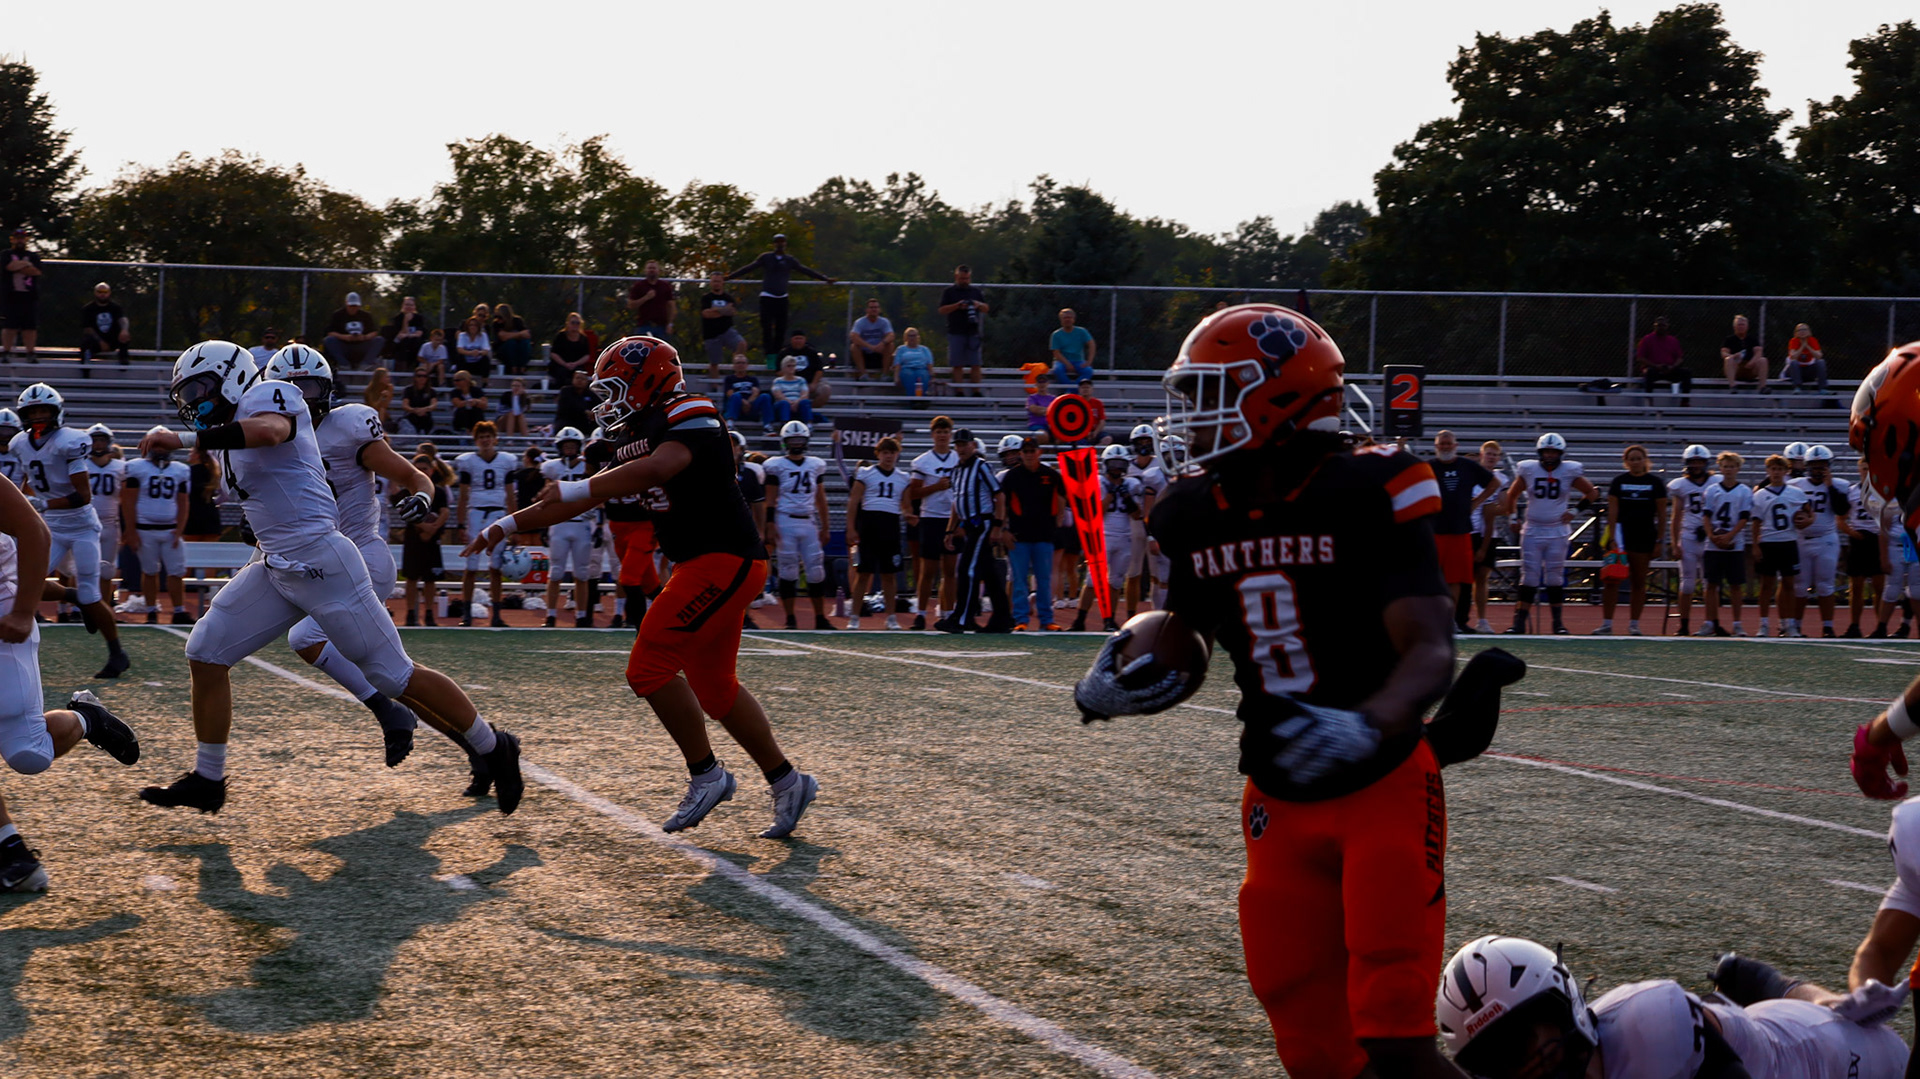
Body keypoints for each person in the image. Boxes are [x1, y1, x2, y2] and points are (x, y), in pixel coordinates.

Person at [1076, 303, 1484, 1079]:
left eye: (1209, 394)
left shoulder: (1368, 484)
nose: (1192, 417)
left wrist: (1370, 721)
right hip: (1275, 798)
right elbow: (1189, 632)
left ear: (1277, 394)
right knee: (1310, 1043)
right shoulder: (1195, 507)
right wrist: (1126, 671)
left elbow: (1431, 647)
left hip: (1381, 785)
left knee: (1394, 1038)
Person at [140, 341, 523, 815]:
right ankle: (208, 778)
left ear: (232, 378)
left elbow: (270, 431)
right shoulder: (228, 432)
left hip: (323, 562)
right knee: (205, 650)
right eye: (187, 394)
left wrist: (183, 440)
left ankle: (493, 746)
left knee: (394, 674)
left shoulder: (271, 396)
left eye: (199, 389)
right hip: (277, 564)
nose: (193, 402)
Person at [464, 335, 818, 837]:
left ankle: (707, 775)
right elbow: (582, 498)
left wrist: (578, 485)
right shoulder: (636, 431)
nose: (608, 401)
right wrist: (506, 524)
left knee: (648, 668)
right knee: (715, 688)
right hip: (702, 563)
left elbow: (661, 466)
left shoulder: (689, 410)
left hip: (723, 559)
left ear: (647, 380)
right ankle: (788, 781)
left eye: (615, 388)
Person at [257, 345, 461, 773]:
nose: (300, 397)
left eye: (308, 387)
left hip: (360, 557)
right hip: (317, 566)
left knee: (310, 640)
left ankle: (396, 715)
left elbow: (412, 475)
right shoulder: (271, 439)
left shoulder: (346, 428)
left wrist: (423, 496)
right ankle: (475, 744)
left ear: (327, 389)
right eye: (290, 388)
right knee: (397, 677)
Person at [1437, 935, 1906, 1079]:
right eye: (1497, 1057)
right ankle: (1749, 980)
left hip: (1843, 1060)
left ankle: (1764, 982)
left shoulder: (1652, 1029)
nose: (1521, 1065)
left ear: (1562, 1007)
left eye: (1521, 1038)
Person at [0, 471, 142, 891]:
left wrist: (23, 611)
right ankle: (12, 853)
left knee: (29, 754)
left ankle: (88, 719)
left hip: (4, 624)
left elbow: (35, 534)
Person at [9, 384, 130, 678]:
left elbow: (83, 496)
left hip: (81, 526)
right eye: (33, 412)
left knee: (91, 594)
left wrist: (42, 503)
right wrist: (25, 504)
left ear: (56, 412)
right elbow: (27, 479)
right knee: (21, 582)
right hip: (50, 525)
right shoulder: (19, 443)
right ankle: (70, 595)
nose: (38, 416)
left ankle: (117, 653)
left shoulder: (70, 441)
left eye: (43, 410)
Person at [1500, 432, 1598, 635]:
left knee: (1554, 577)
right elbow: (1512, 495)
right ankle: (1518, 623)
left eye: (1553, 452)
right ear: (1540, 452)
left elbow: (1592, 492)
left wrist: (1575, 511)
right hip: (1533, 529)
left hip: (1557, 530)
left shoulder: (1569, 471)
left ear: (1561, 453)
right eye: (1546, 452)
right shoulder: (1529, 469)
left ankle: (1558, 623)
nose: (1550, 455)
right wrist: (1512, 518)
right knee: (1529, 577)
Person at [940, 428, 1013, 634]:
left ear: (973, 445)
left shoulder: (981, 466)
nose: (961, 448)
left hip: (983, 524)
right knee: (989, 574)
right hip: (970, 526)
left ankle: (962, 618)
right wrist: (950, 530)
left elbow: (999, 495)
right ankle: (1002, 618)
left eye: (964, 444)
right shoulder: (956, 471)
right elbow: (957, 503)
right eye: (958, 445)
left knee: (967, 570)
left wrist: (997, 525)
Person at [761, 421, 831, 630]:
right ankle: (790, 618)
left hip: (808, 521)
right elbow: (770, 499)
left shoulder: (815, 465)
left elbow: (821, 498)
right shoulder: (776, 465)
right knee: (788, 570)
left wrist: (826, 526)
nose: (797, 444)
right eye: (793, 440)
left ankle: (820, 618)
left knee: (816, 570)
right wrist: (770, 524)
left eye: (800, 440)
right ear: (785, 442)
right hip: (785, 521)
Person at [1594, 444, 1669, 636]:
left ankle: (1634, 624)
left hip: (1644, 536)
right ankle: (1607, 624)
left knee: (1639, 580)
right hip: (1621, 536)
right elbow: (1613, 512)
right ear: (1626, 462)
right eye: (1631, 459)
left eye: (1638, 458)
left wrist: (1660, 540)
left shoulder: (1655, 483)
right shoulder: (1619, 482)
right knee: (1611, 580)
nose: (1635, 462)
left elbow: (1662, 515)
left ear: (1645, 460)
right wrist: (1612, 538)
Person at [1427, 430, 1495, 633]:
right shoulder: (1428, 467)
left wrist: (1477, 502)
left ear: (1455, 446)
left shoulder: (1467, 466)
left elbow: (1494, 483)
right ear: (1436, 446)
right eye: (1442, 443)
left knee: (1455, 579)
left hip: (1459, 530)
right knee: (1431, 579)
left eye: (1449, 443)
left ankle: (1450, 619)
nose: (1445, 447)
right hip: (1434, 530)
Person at [122, 431, 193, 625]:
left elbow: (183, 502)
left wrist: (179, 530)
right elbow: (128, 501)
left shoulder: (180, 469)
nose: (160, 449)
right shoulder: (136, 467)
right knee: (149, 571)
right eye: (156, 445)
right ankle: (151, 611)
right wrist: (131, 531)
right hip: (144, 529)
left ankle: (178, 611)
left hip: (170, 530)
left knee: (176, 572)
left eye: (164, 445)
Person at [452, 421, 517, 629]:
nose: (485, 440)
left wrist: (514, 523)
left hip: (498, 514)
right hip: (476, 514)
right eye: (481, 437)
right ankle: (467, 614)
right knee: (471, 567)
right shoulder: (469, 462)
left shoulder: (506, 461)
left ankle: (496, 615)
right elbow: (463, 496)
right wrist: (460, 524)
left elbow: (510, 495)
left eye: (488, 436)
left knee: (495, 567)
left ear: (495, 439)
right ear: (476, 440)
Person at [724, 236, 834, 356]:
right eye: (777, 242)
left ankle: (777, 354)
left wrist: (824, 279)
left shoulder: (789, 260)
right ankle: (768, 354)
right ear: (774, 244)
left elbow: (805, 270)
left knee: (781, 329)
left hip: (782, 298)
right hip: (767, 297)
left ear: (785, 244)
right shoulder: (766, 257)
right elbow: (749, 268)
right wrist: (730, 277)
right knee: (766, 328)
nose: (780, 244)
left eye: (782, 242)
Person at [999, 436, 1063, 631]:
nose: (1029, 454)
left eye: (1032, 451)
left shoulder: (1050, 475)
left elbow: (1061, 498)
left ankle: (1046, 619)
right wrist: (1003, 530)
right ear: (1021, 454)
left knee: (1043, 580)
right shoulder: (1012, 476)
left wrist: (1058, 522)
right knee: (1019, 580)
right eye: (1025, 451)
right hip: (1019, 536)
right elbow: (1002, 504)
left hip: (1044, 535)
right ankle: (1020, 619)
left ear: (1039, 452)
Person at [538, 428, 598, 628]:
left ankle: (581, 616)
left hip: (582, 524)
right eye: (566, 446)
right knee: (555, 572)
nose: (570, 449)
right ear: (559, 447)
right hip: (559, 524)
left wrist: (598, 523)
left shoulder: (587, 466)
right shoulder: (552, 468)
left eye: (573, 446)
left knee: (582, 574)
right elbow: (545, 495)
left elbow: (596, 493)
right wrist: (544, 523)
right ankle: (550, 616)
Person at [1791, 444, 1854, 637]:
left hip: (1826, 540)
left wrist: (1829, 486)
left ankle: (1828, 627)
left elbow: (1841, 510)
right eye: (1814, 466)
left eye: (1822, 466)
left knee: (1825, 585)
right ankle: (1795, 627)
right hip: (1801, 539)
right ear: (1807, 466)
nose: (1818, 470)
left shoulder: (1839, 485)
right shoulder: (1795, 485)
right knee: (1799, 586)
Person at [846, 437, 909, 630]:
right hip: (870, 524)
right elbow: (854, 501)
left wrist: (909, 515)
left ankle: (891, 617)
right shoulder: (866, 473)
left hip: (890, 525)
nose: (888, 456)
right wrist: (851, 527)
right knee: (863, 573)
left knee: (889, 574)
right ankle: (854, 616)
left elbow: (906, 505)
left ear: (897, 454)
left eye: (892, 452)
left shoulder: (903, 477)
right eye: (885, 452)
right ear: (878, 454)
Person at [907, 417, 961, 630]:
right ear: (932, 435)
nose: (942, 435)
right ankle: (921, 614)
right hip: (931, 517)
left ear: (950, 434)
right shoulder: (923, 461)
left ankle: (948, 613)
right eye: (939, 431)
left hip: (952, 518)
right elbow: (913, 493)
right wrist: (936, 487)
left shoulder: (958, 458)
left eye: (945, 431)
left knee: (950, 570)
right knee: (928, 570)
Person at [1751, 454, 1812, 638]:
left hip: (1788, 542)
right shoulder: (1760, 495)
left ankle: (1789, 624)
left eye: (1779, 469)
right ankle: (1763, 624)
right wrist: (1755, 545)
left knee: (1789, 584)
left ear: (1786, 471)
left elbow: (1810, 513)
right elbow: (1756, 523)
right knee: (1766, 586)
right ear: (1768, 471)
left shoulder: (1795, 492)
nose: (1776, 473)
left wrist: (1806, 520)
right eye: (1773, 469)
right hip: (1768, 542)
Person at [1663, 444, 1716, 636]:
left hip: (1710, 537)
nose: (1696, 466)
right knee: (1687, 584)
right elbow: (1676, 516)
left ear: (1706, 463)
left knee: (1710, 584)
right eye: (1693, 462)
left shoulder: (1716, 482)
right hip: (1689, 536)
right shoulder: (1681, 485)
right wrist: (1674, 542)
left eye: (1699, 462)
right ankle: (1684, 624)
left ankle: (1711, 623)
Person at [1700, 451, 1753, 636]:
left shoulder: (1744, 491)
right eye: (1725, 466)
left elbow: (1744, 518)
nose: (1728, 470)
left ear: (1738, 468)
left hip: (1734, 543)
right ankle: (1709, 622)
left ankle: (1737, 623)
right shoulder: (1712, 490)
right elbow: (1706, 516)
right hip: (1713, 543)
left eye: (1732, 466)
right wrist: (1711, 535)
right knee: (1711, 584)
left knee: (1735, 585)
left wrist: (1730, 535)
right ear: (1720, 468)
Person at [1122, 424, 1167, 618]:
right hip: (1133, 523)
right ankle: (1131, 616)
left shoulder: (1160, 464)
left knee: (1158, 574)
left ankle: (1157, 615)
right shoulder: (1126, 466)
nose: (1144, 445)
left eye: (1148, 441)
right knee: (1133, 573)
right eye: (1140, 442)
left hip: (1155, 523)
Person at [402, 454, 451, 628]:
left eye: (425, 469)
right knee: (412, 577)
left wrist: (433, 528)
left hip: (432, 538)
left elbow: (445, 512)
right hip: (414, 537)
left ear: (431, 470)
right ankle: (410, 613)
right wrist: (423, 527)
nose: (422, 472)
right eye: (418, 469)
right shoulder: (409, 490)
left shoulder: (438, 491)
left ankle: (429, 613)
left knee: (431, 579)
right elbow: (405, 512)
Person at [82, 424, 127, 610]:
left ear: (109, 443)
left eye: (102, 440)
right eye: (95, 440)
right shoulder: (81, 464)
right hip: (85, 523)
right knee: (83, 568)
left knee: (107, 570)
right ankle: (79, 607)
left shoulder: (121, 467)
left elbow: (126, 499)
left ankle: (104, 607)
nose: (98, 444)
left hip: (110, 523)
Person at [1469, 440, 1510, 633]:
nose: (1492, 457)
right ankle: (1457, 617)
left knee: (1482, 576)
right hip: (1470, 530)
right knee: (1462, 578)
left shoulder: (1501, 479)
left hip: (1488, 532)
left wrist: (1492, 510)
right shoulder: (1472, 475)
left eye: (1495, 454)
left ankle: (1482, 619)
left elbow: (1505, 507)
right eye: (1489, 454)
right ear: (1481, 455)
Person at [731, 431, 768, 628]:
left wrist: (760, 530)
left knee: (745, 576)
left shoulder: (750, 473)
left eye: (734, 445)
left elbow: (759, 505)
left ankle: (744, 616)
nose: (730, 449)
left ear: (742, 449)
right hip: (717, 529)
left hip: (743, 530)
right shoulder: (709, 469)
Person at [1845, 462, 1886, 638]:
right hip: (1858, 540)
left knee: (1879, 586)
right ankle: (1854, 625)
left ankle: (1880, 627)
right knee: (1856, 587)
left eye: (1870, 468)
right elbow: (1840, 518)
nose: (1867, 472)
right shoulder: (1851, 491)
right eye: (1864, 468)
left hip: (1877, 539)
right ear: (1859, 470)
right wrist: (1851, 532)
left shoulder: (1884, 491)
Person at [937, 265, 989, 397]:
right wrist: (957, 306)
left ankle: (976, 391)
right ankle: (959, 391)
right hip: (956, 331)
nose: (965, 281)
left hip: (973, 332)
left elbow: (986, 308)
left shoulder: (976, 291)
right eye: (962, 278)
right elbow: (942, 310)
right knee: (957, 363)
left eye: (967, 278)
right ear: (956, 277)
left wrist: (978, 305)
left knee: (976, 363)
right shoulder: (949, 292)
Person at [1, 229, 43, 360]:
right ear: (12, 239)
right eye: (17, 238)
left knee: (29, 326)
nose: (20, 240)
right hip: (11, 295)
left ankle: (30, 352)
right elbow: (9, 267)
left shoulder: (33, 256)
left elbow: (36, 271)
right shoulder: (6, 254)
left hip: (29, 295)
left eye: (22, 238)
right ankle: (6, 351)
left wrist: (19, 267)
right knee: (10, 325)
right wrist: (26, 264)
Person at [695, 273, 747, 378]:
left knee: (741, 344)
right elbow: (706, 314)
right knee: (714, 362)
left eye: (718, 281)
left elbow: (732, 312)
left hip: (727, 330)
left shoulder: (728, 298)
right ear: (711, 283)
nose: (716, 284)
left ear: (722, 282)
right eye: (714, 281)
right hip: (711, 333)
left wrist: (715, 310)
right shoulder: (706, 298)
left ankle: (737, 373)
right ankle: (715, 386)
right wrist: (724, 310)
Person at [321, 292, 383, 370]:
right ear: (346, 304)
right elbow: (330, 332)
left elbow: (374, 332)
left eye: (355, 306)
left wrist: (364, 337)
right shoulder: (338, 315)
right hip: (344, 346)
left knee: (379, 340)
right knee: (329, 340)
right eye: (351, 306)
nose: (353, 308)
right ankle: (344, 364)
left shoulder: (366, 316)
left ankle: (365, 364)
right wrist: (345, 337)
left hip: (361, 345)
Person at [1633, 315, 1690, 398]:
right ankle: (1649, 400)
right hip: (1653, 369)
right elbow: (1640, 358)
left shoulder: (1673, 340)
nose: (1661, 328)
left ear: (1667, 326)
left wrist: (1672, 366)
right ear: (1654, 326)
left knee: (1686, 372)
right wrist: (1656, 366)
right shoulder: (1647, 339)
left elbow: (1680, 358)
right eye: (1659, 325)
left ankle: (1685, 400)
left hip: (1670, 369)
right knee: (1649, 373)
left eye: (1663, 325)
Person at [78, 283, 131, 368]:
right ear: (95, 293)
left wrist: (124, 330)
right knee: (86, 342)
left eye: (105, 292)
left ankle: (124, 361)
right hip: (97, 340)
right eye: (99, 292)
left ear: (109, 293)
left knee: (124, 336)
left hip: (112, 339)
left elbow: (122, 319)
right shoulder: (88, 309)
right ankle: (85, 367)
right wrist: (100, 341)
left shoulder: (115, 307)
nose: (102, 294)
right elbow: (87, 328)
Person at [776, 330, 831, 405]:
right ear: (791, 340)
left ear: (805, 340)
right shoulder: (784, 353)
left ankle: (811, 407)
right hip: (790, 384)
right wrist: (793, 381)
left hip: (809, 383)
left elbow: (819, 370)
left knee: (825, 389)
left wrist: (814, 383)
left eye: (800, 338)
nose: (798, 341)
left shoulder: (812, 352)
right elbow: (778, 371)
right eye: (796, 338)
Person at [625, 260, 676, 340]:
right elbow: (631, 305)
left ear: (658, 271)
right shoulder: (639, 286)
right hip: (644, 326)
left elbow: (671, 306)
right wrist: (646, 298)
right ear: (645, 270)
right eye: (649, 268)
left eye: (654, 268)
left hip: (661, 327)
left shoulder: (665, 286)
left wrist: (670, 324)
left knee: (661, 347)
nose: (651, 270)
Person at [847, 298, 894, 381]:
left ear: (879, 309)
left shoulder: (884, 322)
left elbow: (891, 335)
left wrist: (882, 344)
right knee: (854, 347)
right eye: (871, 307)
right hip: (864, 354)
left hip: (879, 354)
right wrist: (869, 346)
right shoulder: (860, 322)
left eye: (876, 307)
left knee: (890, 345)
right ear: (867, 310)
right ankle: (863, 375)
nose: (874, 309)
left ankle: (884, 375)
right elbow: (853, 336)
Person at [379, 296, 430, 369]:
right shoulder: (398, 318)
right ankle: (402, 366)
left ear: (414, 307)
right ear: (403, 306)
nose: (409, 307)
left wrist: (408, 335)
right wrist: (405, 320)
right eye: (407, 304)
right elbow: (401, 334)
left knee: (415, 341)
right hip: (400, 341)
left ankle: (414, 366)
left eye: (411, 305)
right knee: (404, 341)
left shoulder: (419, 318)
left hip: (414, 340)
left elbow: (419, 334)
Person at [1722, 313, 1768, 393]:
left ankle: (1762, 387)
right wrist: (1733, 356)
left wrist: (1752, 362)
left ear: (1747, 326)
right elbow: (1724, 353)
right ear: (1734, 327)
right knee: (1728, 360)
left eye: (1743, 325)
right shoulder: (1729, 340)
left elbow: (1758, 352)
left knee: (1763, 360)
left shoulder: (1752, 339)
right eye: (1739, 325)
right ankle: (1733, 386)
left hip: (1750, 368)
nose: (1741, 327)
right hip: (1736, 368)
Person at [1049, 308, 1096, 384]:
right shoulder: (1056, 334)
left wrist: (1089, 361)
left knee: (1088, 371)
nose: (1067, 320)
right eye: (1065, 318)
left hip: (1078, 360)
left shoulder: (1082, 331)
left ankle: (1074, 389)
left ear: (1074, 319)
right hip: (1061, 361)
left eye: (1069, 317)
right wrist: (1067, 364)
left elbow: (1092, 344)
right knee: (1058, 370)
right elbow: (1056, 353)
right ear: (1061, 320)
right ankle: (1069, 389)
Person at [767, 356, 815, 429]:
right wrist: (790, 403)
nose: (791, 368)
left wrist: (796, 403)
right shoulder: (778, 381)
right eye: (789, 366)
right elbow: (778, 395)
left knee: (805, 402)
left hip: (798, 404)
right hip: (783, 405)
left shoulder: (801, 380)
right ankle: (785, 425)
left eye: (793, 366)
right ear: (783, 368)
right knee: (784, 403)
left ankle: (809, 425)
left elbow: (805, 394)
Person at [720, 353, 768, 427]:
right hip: (736, 405)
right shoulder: (729, 379)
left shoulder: (752, 379)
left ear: (747, 365)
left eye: (743, 363)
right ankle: (730, 423)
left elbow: (755, 393)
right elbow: (729, 393)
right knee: (736, 395)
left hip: (751, 405)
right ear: (734, 365)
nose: (741, 365)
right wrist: (743, 402)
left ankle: (767, 425)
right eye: (738, 363)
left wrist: (748, 402)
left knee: (765, 396)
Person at [548, 312, 595, 382]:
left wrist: (575, 364)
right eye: (573, 322)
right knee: (562, 373)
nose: (575, 325)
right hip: (560, 365)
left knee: (580, 375)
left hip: (576, 366)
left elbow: (586, 355)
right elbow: (554, 353)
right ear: (568, 323)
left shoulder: (583, 338)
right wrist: (565, 364)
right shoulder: (561, 336)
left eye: (578, 323)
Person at [488, 302, 532, 376]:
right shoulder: (496, 324)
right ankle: (513, 369)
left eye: (499, 317)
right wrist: (519, 334)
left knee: (525, 342)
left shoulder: (517, 320)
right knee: (511, 342)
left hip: (518, 348)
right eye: (495, 316)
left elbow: (527, 334)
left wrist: (509, 335)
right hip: (503, 350)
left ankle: (522, 368)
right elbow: (502, 337)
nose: (497, 319)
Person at [894, 326, 935, 401]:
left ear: (918, 337)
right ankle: (912, 400)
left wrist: (932, 377)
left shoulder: (924, 349)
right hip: (906, 368)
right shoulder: (901, 349)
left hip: (921, 368)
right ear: (906, 337)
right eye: (910, 336)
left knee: (922, 376)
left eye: (914, 335)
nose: (912, 338)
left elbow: (929, 364)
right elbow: (897, 364)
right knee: (909, 376)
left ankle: (921, 400)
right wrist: (896, 377)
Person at [1786, 322, 1827, 393]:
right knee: (1793, 362)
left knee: (1821, 362)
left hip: (1809, 371)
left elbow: (1819, 356)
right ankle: (1797, 387)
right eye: (1799, 330)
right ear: (1796, 333)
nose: (1802, 332)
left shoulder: (1813, 340)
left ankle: (1822, 388)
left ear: (1809, 331)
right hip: (1795, 372)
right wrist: (1802, 346)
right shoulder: (1793, 341)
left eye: (1804, 329)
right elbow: (1793, 357)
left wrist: (1807, 346)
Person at [553, 368, 597, 435]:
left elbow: (597, 405)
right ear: (573, 379)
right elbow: (567, 407)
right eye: (577, 378)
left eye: (582, 379)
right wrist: (584, 411)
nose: (579, 380)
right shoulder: (565, 391)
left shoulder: (591, 394)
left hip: (584, 422)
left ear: (587, 381)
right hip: (567, 421)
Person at [400, 369, 439, 435]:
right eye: (419, 376)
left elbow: (434, 405)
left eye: (424, 376)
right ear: (415, 377)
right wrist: (415, 410)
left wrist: (424, 409)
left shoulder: (431, 391)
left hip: (426, 418)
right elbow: (405, 405)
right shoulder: (408, 390)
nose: (422, 378)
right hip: (411, 417)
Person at [454, 316, 492, 383]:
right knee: (460, 357)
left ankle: (485, 382)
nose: (473, 327)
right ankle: (459, 381)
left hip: (477, 363)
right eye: (471, 325)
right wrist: (470, 353)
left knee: (485, 359)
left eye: (475, 325)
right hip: (466, 363)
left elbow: (486, 350)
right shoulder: (462, 335)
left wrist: (479, 353)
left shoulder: (483, 335)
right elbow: (459, 349)